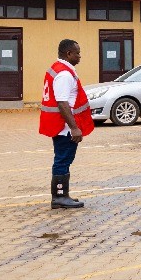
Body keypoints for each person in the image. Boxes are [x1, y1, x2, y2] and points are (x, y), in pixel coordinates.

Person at [39, 39, 94, 209]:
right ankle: (59, 197)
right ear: (68, 54)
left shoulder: (59, 69)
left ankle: (63, 195)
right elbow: (62, 103)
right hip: (64, 128)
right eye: (77, 53)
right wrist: (74, 127)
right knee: (63, 160)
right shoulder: (64, 74)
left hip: (62, 126)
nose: (79, 56)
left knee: (64, 159)